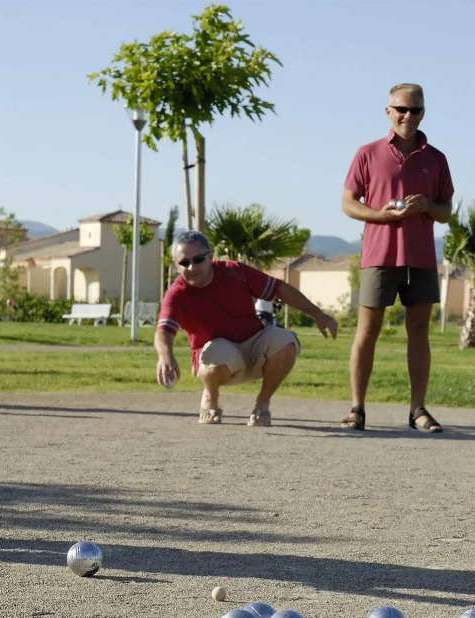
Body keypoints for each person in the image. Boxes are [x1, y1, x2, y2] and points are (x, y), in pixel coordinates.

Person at [340, 82, 453, 433]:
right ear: (388, 111)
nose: (408, 116)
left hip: (420, 259)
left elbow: (446, 211)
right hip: (378, 255)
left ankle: (418, 410)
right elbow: (348, 203)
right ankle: (357, 408)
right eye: (401, 109)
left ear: (423, 113)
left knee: (419, 332)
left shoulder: (436, 159)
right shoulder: (368, 153)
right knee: (367, 332)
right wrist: (382, 215)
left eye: (415, 110)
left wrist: (428, 206)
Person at [155, 231, 338, 425]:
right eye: (184, 263)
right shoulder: (177, 294)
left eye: (198, 259)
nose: (192, 267)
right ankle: (210, 396)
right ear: (176, 264)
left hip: (254, 346)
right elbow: (164, 330)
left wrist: (318, 314)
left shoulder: (234, 271)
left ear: (210, 257)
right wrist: (165, 355)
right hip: (217, 358)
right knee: (217, 350)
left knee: (286, 341)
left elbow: (279, 289)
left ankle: (262, 403)